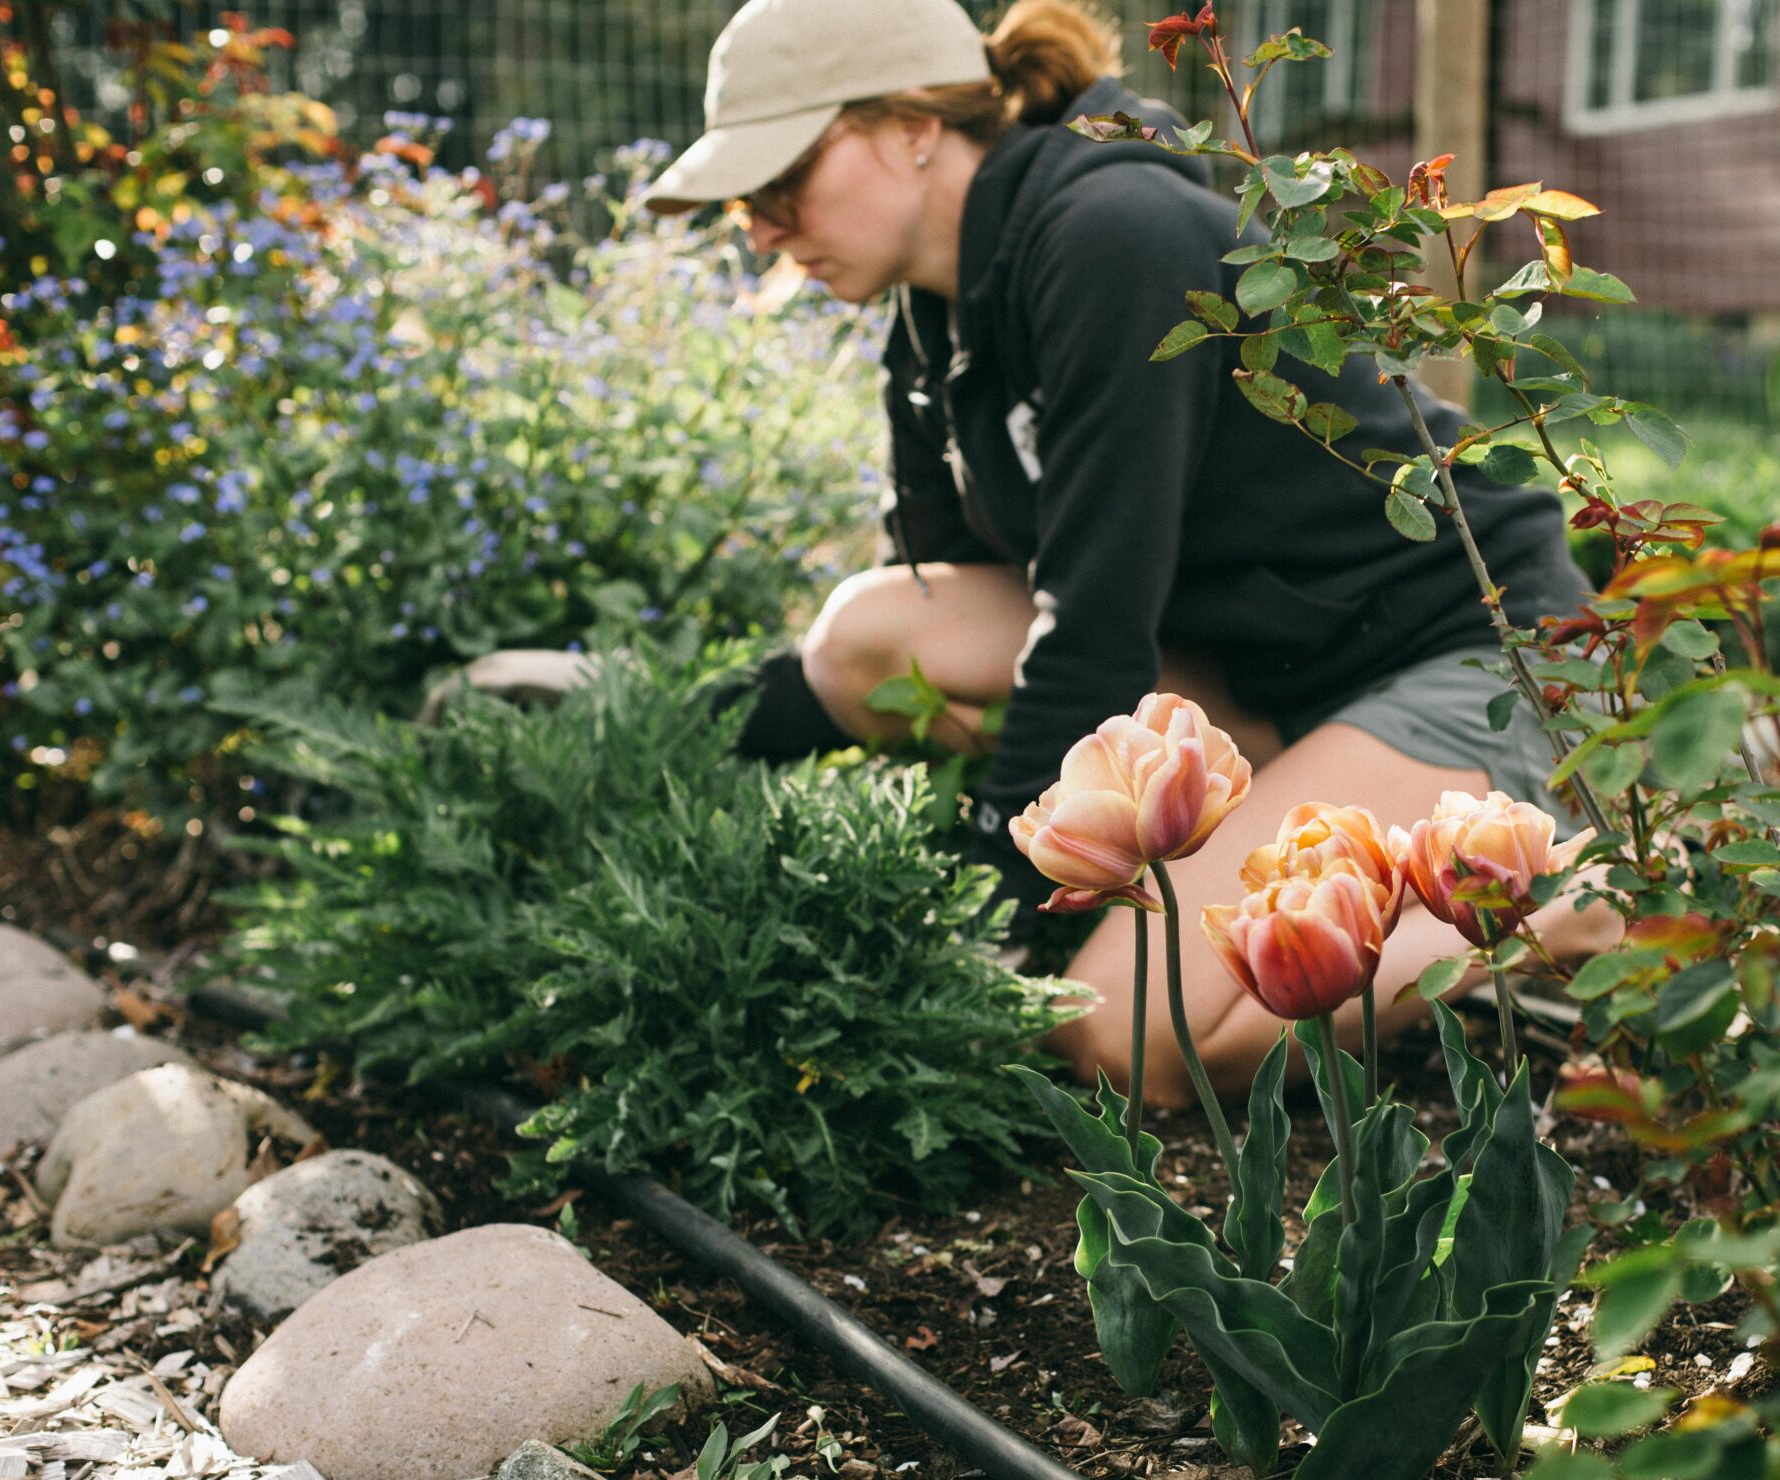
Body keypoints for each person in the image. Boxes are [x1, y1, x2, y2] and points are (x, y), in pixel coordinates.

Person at [644, 0, 1621, 1102]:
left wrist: (983, 919)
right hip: (1259, 672)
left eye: (780, 183)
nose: (761, 229)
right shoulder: (935, 317)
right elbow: (958, 600)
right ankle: (1291, 818)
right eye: (744, 201)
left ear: (911, 125)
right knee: (872, 634)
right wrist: (664, 729)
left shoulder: (1111, 235)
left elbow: (1092, 624)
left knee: (1124, 1037)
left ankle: (1566, 896)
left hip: (1456, 662)